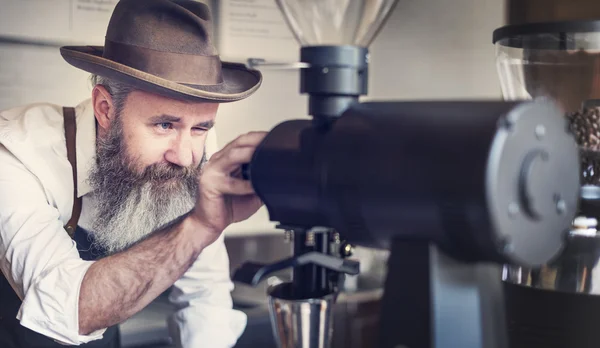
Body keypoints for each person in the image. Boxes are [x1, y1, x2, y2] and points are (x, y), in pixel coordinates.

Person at [0, 0, 265, 347]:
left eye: (200, 128)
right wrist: (198, 226)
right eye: (164, 124)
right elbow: (66, 311)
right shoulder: (16, 154)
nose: (184, 156)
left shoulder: (183, 156)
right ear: (105, 109)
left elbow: (205, 295)